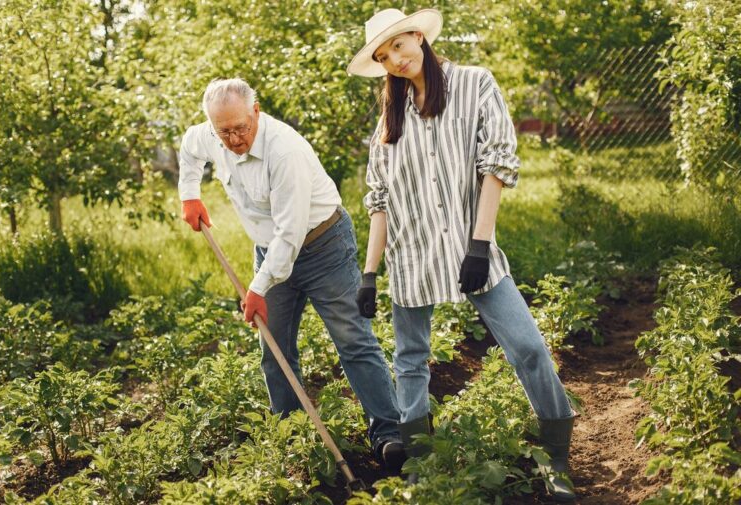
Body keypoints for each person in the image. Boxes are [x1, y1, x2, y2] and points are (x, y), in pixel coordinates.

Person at [347, 8, 577, 500]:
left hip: (469, 248)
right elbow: (381, 201)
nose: (395, 60)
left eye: (399, 46)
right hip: (412, 256)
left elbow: (496, 161)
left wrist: (479, 242)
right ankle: (421, 466)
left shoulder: (474, 84)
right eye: (384, 56)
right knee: (410, 359)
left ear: (419, 36)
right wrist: (368, 274)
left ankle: (556, 458)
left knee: (529, 349)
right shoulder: (390, 121)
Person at [178, 77, 405, 470]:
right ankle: (290, 437)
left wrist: (257, 287)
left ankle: (388, 433)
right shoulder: (213, 135)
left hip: (322, 246)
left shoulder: (285, 152)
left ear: (256, 111)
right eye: (224, 131)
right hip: (271, 251)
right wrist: (190, 194)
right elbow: (188, 147)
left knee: (353, 340)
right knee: (275, 349)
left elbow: (290, 234)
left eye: (241, 128)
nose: (233, 139)